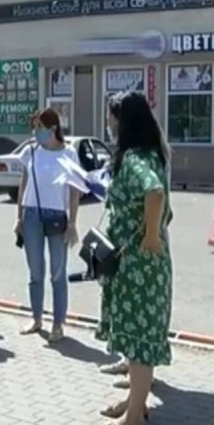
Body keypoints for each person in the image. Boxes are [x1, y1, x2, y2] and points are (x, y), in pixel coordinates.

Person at [96, 91, 172, 425]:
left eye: (111, 115)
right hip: (139, 264)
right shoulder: (148, 153)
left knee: (139, 340)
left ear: (123, 121)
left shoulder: (136, 160)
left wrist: (151, 237)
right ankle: (134, 404)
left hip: (139, 265)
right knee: (134, 336)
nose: (108, 121)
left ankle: (134, 417)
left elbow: (154, 192)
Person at [14, 108, 80, 342]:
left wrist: (72, 222)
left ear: (53, 129)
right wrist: (19, 217)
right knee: (35, 270)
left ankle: (58, 324)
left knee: (58, 273)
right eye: (34, 127)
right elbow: (23, 184)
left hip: (57, 216)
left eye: (40, 127)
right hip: (32, 214)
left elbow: (74, 190)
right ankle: (36, 318)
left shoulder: (69, 152)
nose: (36, 132)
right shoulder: (31, 151)